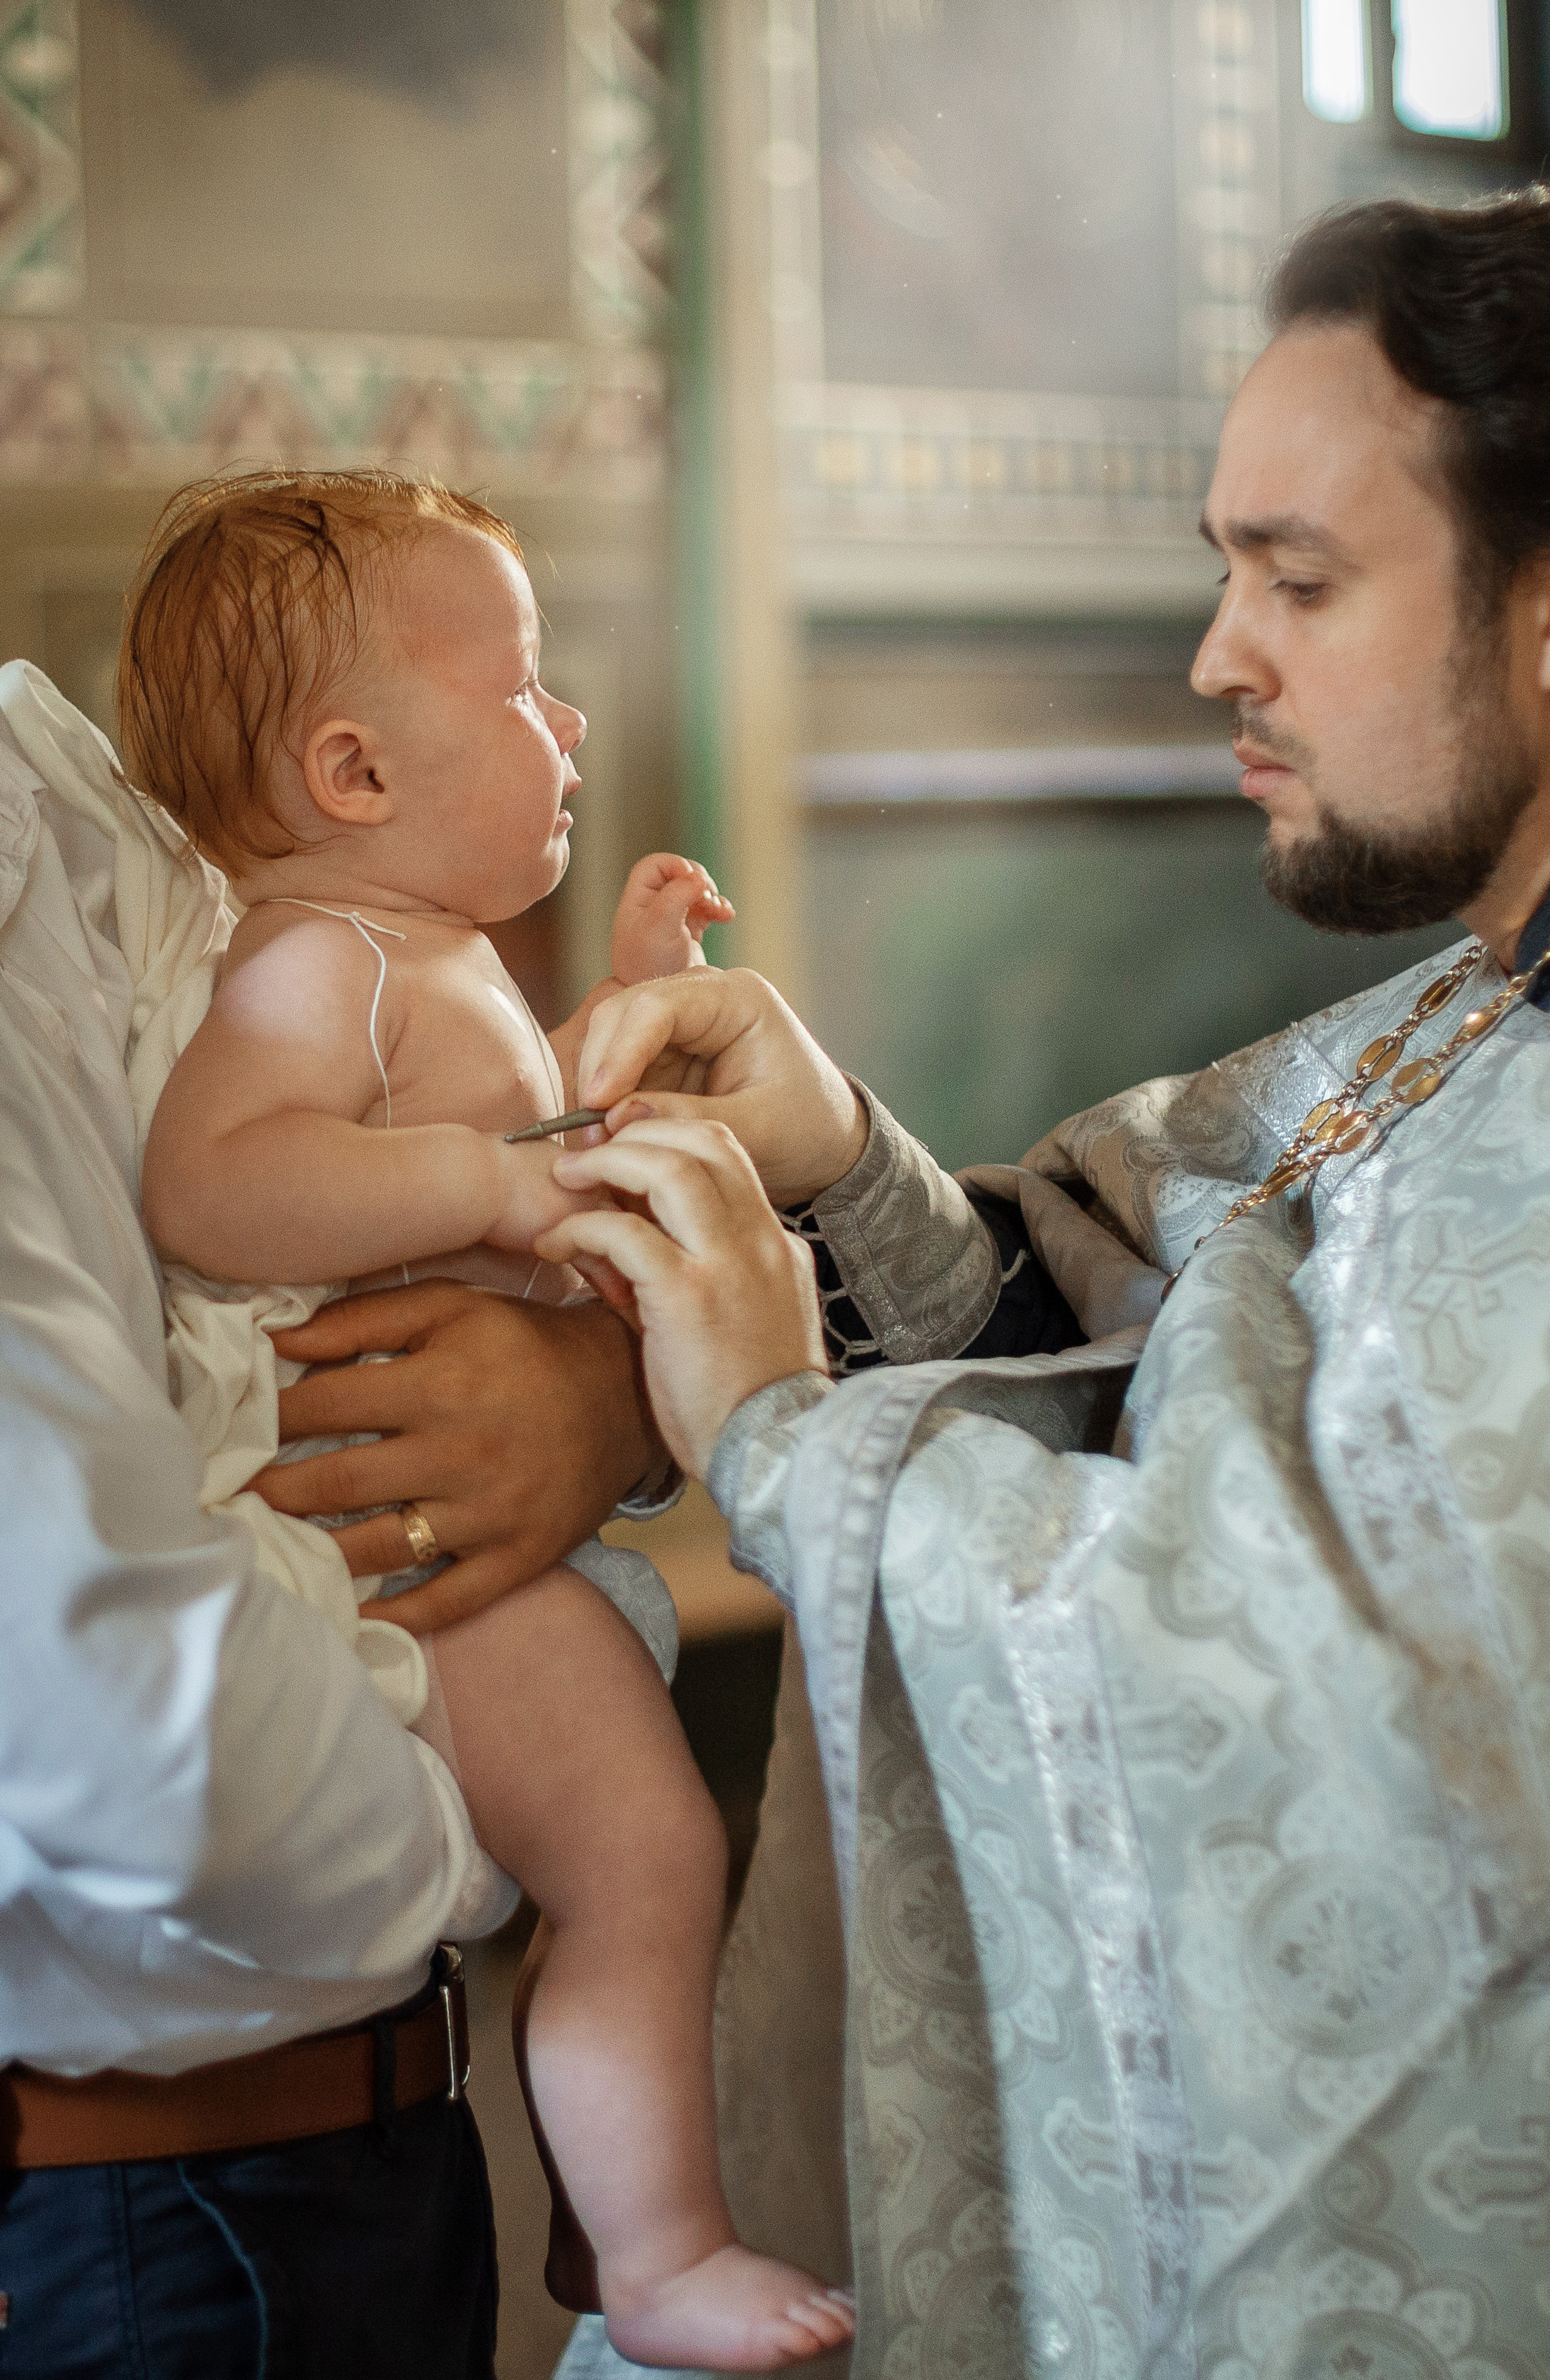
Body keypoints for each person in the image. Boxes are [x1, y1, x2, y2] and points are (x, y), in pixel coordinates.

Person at [532, 192, 1550, 2376]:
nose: (1217, 656)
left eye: (1297, 579)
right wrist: (840, 1163)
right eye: (1222, 567)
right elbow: (1147, 1358)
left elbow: (1346, 1755)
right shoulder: (1458, 1015)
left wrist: (772, 1436)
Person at [106, 470, 851, 2374]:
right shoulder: (316, 967)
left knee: (630, 1863)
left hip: (497, 1524)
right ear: (352, 775)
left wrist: (628, 1006)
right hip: (416, 1558)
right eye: (519, 688)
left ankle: (624, 2210)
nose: (570, 720)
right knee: (647, 1856)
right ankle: (660, 2245)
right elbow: (217, 1187)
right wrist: (490, 1186)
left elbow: (531, 1152)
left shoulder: (417, 960)